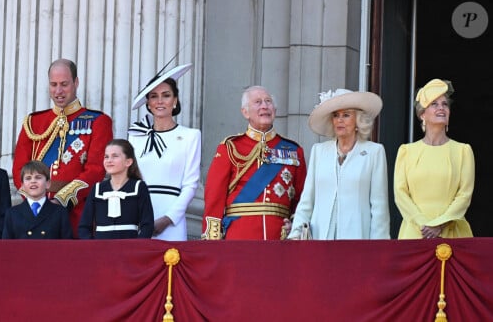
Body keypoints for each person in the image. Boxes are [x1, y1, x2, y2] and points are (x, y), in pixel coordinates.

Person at [12, 58, 113, 238]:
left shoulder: (98, 121)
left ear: (76, 82)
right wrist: (36, 201)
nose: (58, 91)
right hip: (35, 213)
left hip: (76, 214)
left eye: (64, 84)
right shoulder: (33, 122)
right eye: (53, 84)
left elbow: (96, 170)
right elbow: (19, 168)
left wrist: (62, 199)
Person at [202, 85, 307, 240]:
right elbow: (214, 196)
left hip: (279, 237)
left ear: (275, 110)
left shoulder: (293, 150)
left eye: (268, 101)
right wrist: (212, 239)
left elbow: (302, 198)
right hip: (239, 235)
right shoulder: (230, 147)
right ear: (245, 112)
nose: (265, 106)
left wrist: (295, 225)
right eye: (258, 102)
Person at [287, 89, 390, 240]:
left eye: (346, 115)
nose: (339, 120)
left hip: (357, 239)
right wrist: (296, 232)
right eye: (336, 115)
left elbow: (379, 207)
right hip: (321, 237)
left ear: (358, 120)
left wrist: (378, 248)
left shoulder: (374, 152)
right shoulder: (319, 151)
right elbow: (307, 199)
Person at [128, 63, 201, 241]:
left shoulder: (190, 136)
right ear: (148, 103)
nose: (160, 101)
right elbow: (129, 179)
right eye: (154, 96)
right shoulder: (136, 136)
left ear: (175, 100)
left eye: (166, 95)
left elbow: (191, 185)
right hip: (138, 216)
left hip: (172, 220)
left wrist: (168, 219)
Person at [394, 78, 474, 239]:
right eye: (434, 104)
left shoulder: (462, 151)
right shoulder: (406, 151)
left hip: (452, 233)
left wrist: (440, 224)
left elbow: (464, 195)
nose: (441, 108)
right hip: (415, 233)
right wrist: (423, 224)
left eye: (445, 104)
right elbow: (400, 194)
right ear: (422, 114)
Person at [78, 139, 154, 239]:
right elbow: (84, 226)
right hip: (100, 249)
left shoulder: (139, 187)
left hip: (129, 248)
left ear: (128, 162)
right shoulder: (97, 189)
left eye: (115, 156)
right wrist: (93, 247)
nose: (109, 160)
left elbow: (147, 225)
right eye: (106, 157)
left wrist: (136, 248)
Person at [3, 160, 73, 239]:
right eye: (28, 178)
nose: (33, 181)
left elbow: (66, 247)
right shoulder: (12, 214)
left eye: (38, 177)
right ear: (22, 186)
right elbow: (7, 248)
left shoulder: (60, 212)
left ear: (48, 183)